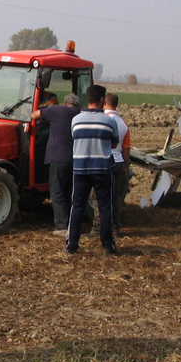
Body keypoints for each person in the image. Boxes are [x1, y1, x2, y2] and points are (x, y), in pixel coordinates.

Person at [66, 85, 119, 255]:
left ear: (88, 99)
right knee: (104, 207)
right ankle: (107, 245)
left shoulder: (75, 120)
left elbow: (74, 138)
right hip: (102, 169)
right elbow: (114, 143)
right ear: (102, 100)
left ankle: (72, 245)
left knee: (77, 206)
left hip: (80, 169)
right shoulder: (110, 121)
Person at [30, 93, 82, 234]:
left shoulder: (58, 110)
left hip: (58, 158)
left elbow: (34, 115)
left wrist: (47, 119)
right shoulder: (81, 115)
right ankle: (74, 224)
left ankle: (62, 227)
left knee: (57, 193)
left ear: (65, 103)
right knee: (72, 192)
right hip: (77, 160)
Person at [103, 92, 131, 231]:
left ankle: (102, 226)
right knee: (115, 196)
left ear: (105, 104)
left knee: (101, 196)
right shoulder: (123, 124)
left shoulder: (103, 120)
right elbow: (126, 149)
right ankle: (115, 226)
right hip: (118, 162)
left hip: (105, 162)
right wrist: (125, 166)